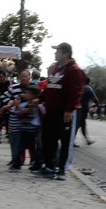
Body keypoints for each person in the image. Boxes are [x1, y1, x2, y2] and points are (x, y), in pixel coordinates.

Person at [39, 42, 86, 179]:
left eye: (57, 51)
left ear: (65, 54)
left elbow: (76, 92)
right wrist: (41, 99)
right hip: (51, 111)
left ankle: (61, 170)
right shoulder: (56, 69)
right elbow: (50, 87)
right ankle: (49, 167)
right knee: (48, 140)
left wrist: (69, 110)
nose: (55, 54)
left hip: (65, 113)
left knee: (65, 142)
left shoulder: (74, 71)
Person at [75, 76, 97, 146]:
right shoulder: (88, 88)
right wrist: (98, 105)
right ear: (88, 82)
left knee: (81, 124)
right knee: (79, 125)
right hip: (83, 109)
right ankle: (71, 141)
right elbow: (94, 99)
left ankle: (87, 140)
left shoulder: (78, 87)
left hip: (76, 108)